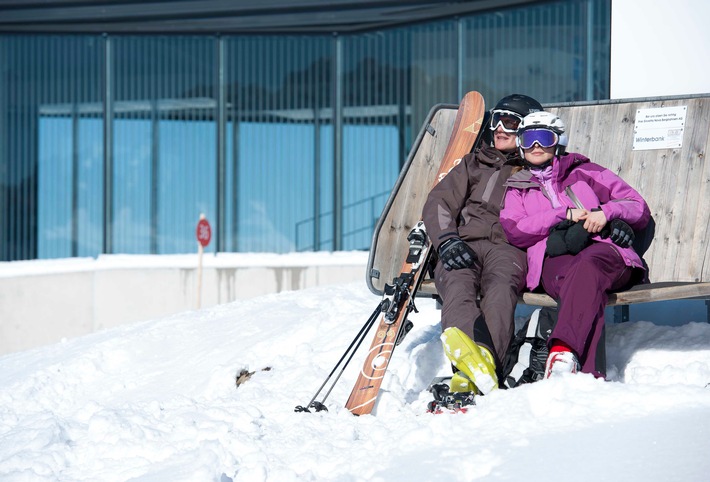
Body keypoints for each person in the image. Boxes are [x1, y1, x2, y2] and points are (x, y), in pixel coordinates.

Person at [500, 111, 650, 378]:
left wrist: (608, 213)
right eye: (528, 139)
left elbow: (637, 206)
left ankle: (562, 352)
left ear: (558, 141)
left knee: (587, 267)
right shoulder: (517, 187)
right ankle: (588, 378)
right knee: (581, 284)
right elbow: (515, 229)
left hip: (606, 253)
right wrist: (562, 215)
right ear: (521, 145)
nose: (535, 146)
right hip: (553, 258)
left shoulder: (585, 172)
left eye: (543, 138)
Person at [422, 94, 542, 396]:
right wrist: (447, 241)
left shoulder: (538, 170)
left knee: (500, 291)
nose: (500, 128)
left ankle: (481, 363)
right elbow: (440, 201)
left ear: (527, 129)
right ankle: (475, 365)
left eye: (510, 122)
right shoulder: (474, 164)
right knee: (458, 282)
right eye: (496, 120)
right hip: (464, 243)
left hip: (509, 248)